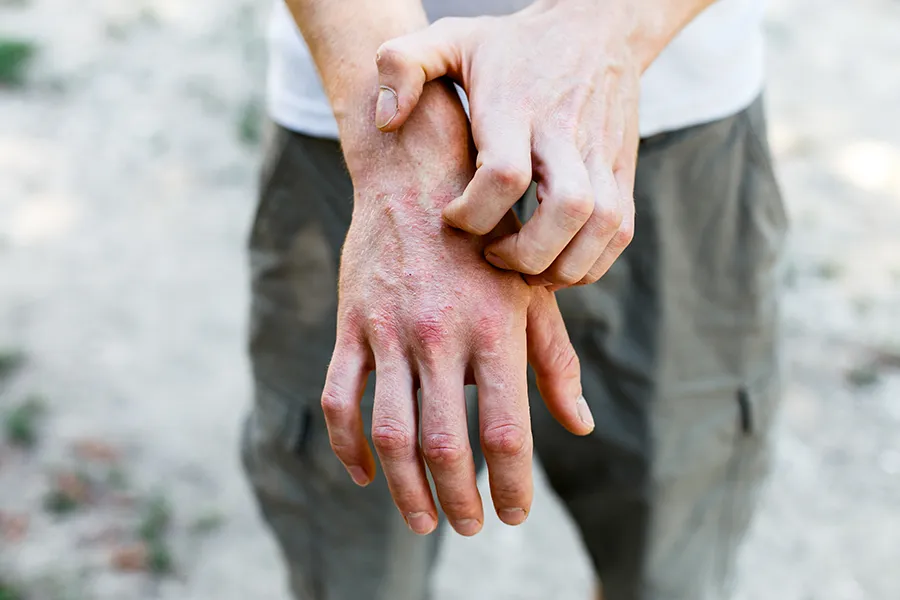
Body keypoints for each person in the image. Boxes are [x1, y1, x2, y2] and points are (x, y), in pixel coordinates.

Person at [241, 0, 788, 598]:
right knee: (358, 565)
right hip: (354, 116)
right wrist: (395, 133)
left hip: (672, 114)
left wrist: (608, 28)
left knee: (668, 563)